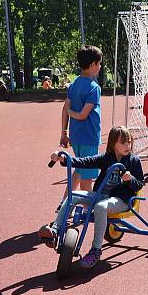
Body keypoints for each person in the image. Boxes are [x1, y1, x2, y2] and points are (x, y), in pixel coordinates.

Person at [39, 126, 144, 268]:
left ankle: (95, 250)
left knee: (101, 207)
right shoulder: (106, 158)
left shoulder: (133, 161)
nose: (128, 146)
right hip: (99, 196)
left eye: (129, 142)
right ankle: (55, 230)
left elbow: (139, 185)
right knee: (73, 196)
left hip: (121, 201)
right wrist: (64, 158)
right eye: (123, 142)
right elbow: (84, 161)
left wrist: (129, 179)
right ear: (113, 144)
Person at [61, 45, 103, 191]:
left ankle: (65, 204)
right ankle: (87, 209)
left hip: (76, 136)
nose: (100, 66)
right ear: (93, 65)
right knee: (87, 177)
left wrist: (64, 133)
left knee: (78, 169)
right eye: (99, 63)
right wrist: (72, 113)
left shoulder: (74, 85)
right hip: (89, 136)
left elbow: (64, 109)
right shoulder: (94, 88)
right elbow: (83, 115)